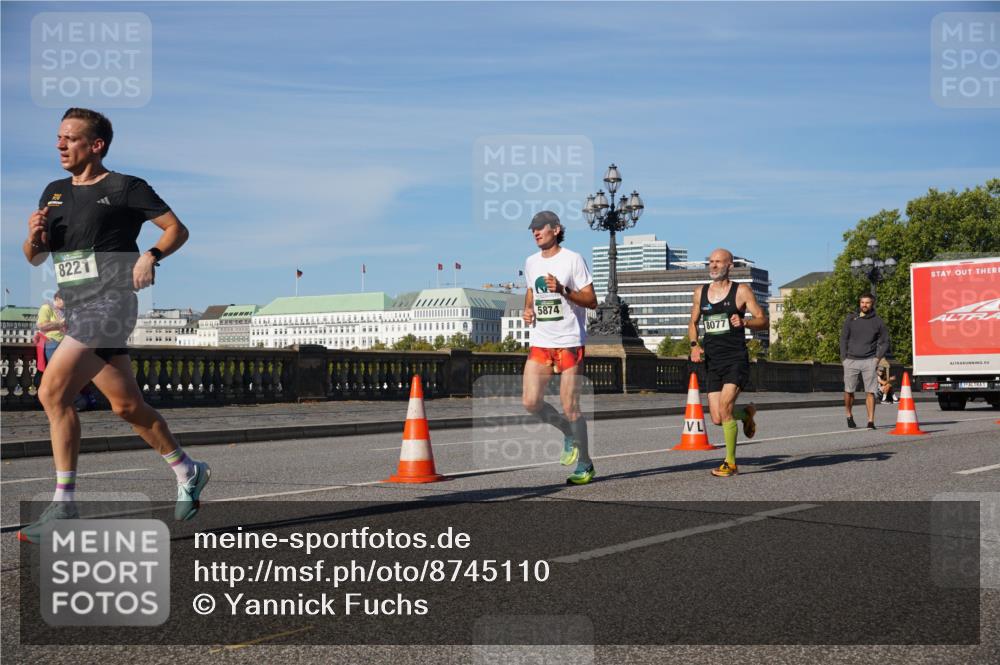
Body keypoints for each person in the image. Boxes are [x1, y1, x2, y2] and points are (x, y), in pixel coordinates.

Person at [18, 108, 209, 543]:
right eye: (59, 137)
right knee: (126, 406)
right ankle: (187, 469)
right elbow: (35, 257)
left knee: (52, 393)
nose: (60, 144)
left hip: (111, 304)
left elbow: (176, 229)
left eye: (70, 138)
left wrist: (150, 256)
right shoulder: (53, 193)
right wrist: (33, 236)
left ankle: (64, 505)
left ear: (96, 145)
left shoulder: (125, 187)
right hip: (76, 310)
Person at [521, 211, 598, 485]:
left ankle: (585, 463)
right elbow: (531, 292)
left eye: (540, 227)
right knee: (530, 402)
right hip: (541, 343)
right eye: (533, 228)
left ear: (555, 229)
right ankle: (567, 432)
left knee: (570, 406)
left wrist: (563, 290)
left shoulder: (573, 259)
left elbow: (592, 300)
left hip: (569, 343)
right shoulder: (531, 262)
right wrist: (528, 309)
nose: (536, 232)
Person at [689, 249, 768, 477]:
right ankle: (746, 414)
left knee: (725, 409)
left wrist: (745, 322)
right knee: (717, 418)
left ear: (729, 265)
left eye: (718, 262)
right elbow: (693, 323)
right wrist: (694, 345)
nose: (713, 266)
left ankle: (730, 463)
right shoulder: (700, 292)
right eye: (711, 262)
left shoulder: (741, 291)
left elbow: (763, 320)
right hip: (712, 361)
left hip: (735, 359)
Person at [36, 291, 98, 411]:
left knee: (69, 373)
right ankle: (68, 402)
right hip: (52, 343)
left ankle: (68, 401)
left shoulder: (66, 311)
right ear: (57, 299)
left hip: (66, 344)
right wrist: (60, 324)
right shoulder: (46, 308)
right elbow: (41, 325)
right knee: (58, 374)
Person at [840, 293, 890, 429]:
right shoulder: (851, 319)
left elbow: (885, 341)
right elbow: (843, 338)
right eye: (862, 302)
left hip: (869, 360)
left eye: (867, 303)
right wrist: (844, 358)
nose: (864, 305)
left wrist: (877, 358)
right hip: (851, 360)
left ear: (872, 304)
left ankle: (870, 421)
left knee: (870, 392)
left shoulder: (878, 321)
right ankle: (849, 415)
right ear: (859, 303)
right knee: (849, 391)